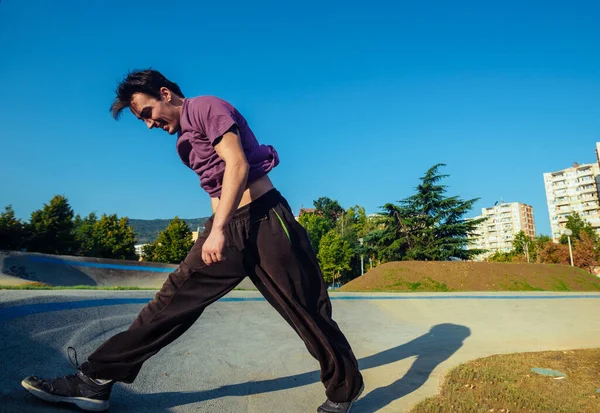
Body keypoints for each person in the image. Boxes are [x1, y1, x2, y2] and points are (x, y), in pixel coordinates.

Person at [21, 69, 364, 413]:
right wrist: (213, 230)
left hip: (266, 220)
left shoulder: (205, 107)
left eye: (147, 113)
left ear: (165, 94)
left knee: (305, 307)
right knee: (169, 302)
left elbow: (238, 164)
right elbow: (217, 188)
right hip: (227, 228)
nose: (149, 125)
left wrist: (218, 230)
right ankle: (94, 380)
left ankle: (343, 391)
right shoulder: (183, 144)